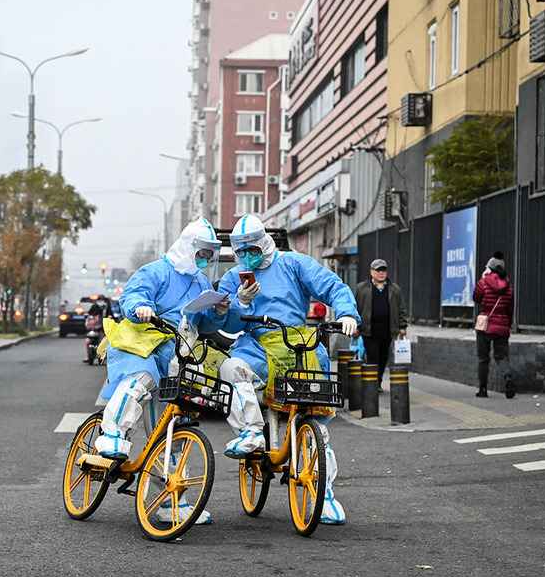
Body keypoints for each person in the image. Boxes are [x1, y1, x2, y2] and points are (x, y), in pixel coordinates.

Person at [215, 214, 360, 525]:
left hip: (298, 345)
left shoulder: (294, 263)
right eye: (241, 252)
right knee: (232, 367)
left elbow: (332, 286)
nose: (247, 257)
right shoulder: (234, 276)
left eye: (252, 249)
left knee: (317, 429)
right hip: (256, 345)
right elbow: (222, 322)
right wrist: (238, 304)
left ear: (264, 242)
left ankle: (325, 495)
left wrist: (346, 313)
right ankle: (251, 432)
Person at [94, 218, 226, 524]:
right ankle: (111, 433)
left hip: (176, 357)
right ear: (188, 247)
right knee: (142, 380)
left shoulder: (202, 283)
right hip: (139, 345)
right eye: (202, 252)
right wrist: (141, 307)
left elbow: (203, 324)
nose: (205, 259)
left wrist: (219, 312)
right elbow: (132, 295)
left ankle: (169, 502)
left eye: (210, 254)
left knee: (170, 433)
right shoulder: (156, 271)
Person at [354, 259, 408, 391]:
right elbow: (355, 308)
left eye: (383, 270)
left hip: (388, 330)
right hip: (369, 330)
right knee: (372, 356)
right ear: (371, 272)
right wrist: (355, 325)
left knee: (384, 357)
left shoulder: (394, 289)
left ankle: (377, 381)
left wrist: (402, 326)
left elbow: (401, 309)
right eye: (378, 270)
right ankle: (372, 384)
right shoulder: (362, 288)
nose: (381, 273)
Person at [473, 252, 514, 398]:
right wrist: (507, 326)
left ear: (490, 268)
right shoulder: (509, 286)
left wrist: (482, 278)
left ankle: (483, 390)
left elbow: (476, 298)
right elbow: (510, 309)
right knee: (502, 356)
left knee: (483, 358)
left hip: (485, 326)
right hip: (502, 326)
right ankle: (508, 377)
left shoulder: (483, 282)